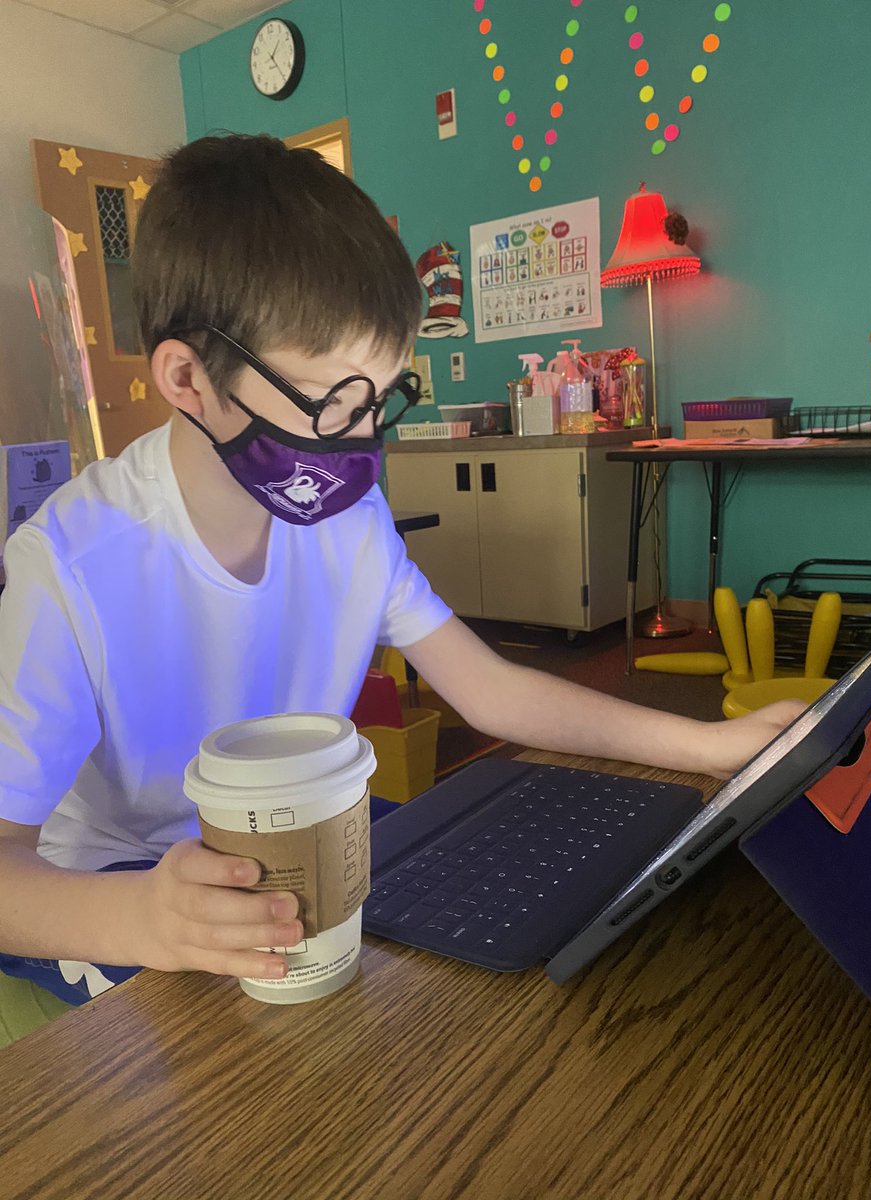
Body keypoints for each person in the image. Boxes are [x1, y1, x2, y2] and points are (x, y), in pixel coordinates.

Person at [0, 134, 800, 1006]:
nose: (361, 441)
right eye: (332, 400)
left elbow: (488, 689)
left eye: (379, 400)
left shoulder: (345, 520)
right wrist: (146, 918)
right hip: (127, 875)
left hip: (309, 829)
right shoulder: (71, 567)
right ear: (188, 378)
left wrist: (713, 748)